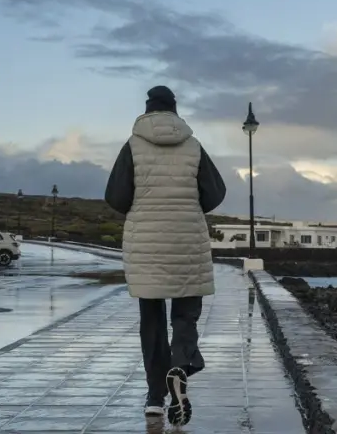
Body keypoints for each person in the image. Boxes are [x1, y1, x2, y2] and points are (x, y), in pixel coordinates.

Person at [104, 85, 226, 426]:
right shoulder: (193, 145)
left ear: (147, 110)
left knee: (152, 322)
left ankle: (155, 398)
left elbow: (115, 196)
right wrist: (188, 205)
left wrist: (142, 207)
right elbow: (216, 193)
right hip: (188, 241)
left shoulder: (133, 145)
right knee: (185, 316)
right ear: (174, 110)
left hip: (146, 244)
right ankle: (180, 364)